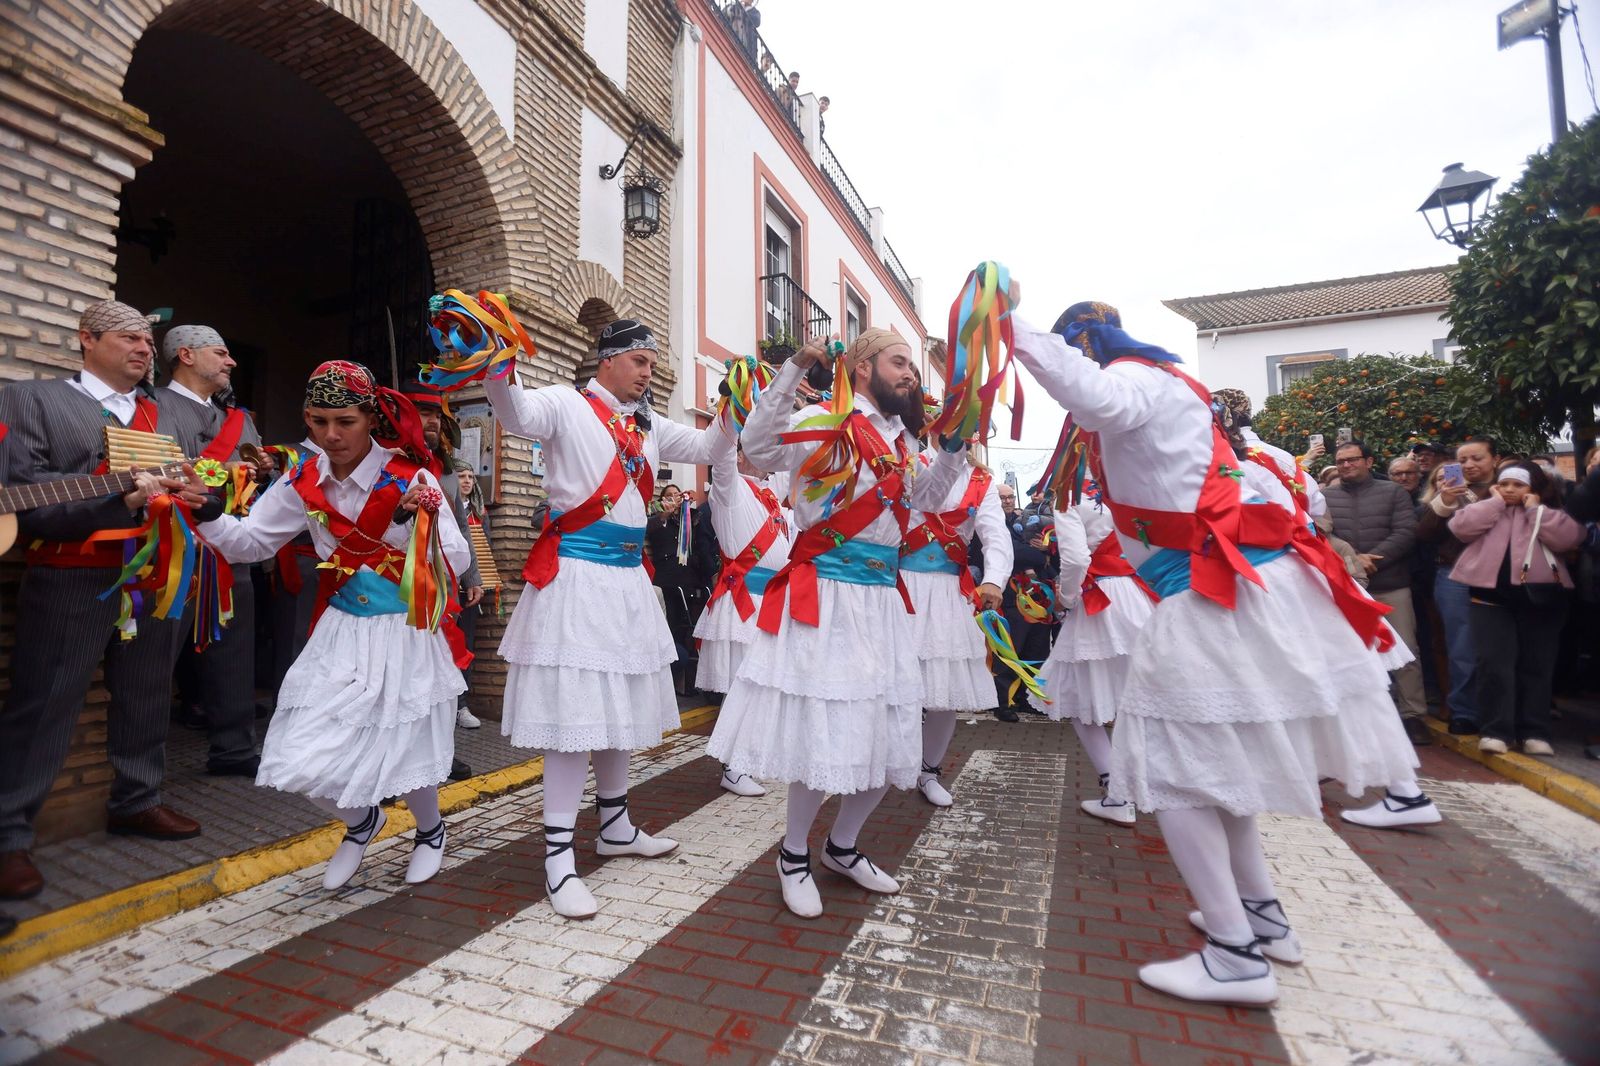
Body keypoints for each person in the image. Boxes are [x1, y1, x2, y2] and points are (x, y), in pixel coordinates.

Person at [1009, 294, 1435, 1007]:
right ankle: (1260, 919)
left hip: (1212, 588)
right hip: (1232, 583)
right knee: (1217, 765)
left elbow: (1092, 395)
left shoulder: (1138, 380)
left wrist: (1004, 323)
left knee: (1174, 767)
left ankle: (1235, 956)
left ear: (1086, 346)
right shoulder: (1175, 388)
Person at [708, 328, 967, 919]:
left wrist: (952, 451)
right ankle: (793, 854)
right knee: (825, 729)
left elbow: (926, 499)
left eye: (912, 366)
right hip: (826, 593)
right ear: (864, 367)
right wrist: (796, 367)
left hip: (881, 601)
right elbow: (759, 446)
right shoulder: (824, 419)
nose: (911, 374)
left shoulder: (905, 441)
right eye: (899, 362)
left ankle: (842, 847)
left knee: (890, 730)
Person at [196, 361, 469, 888]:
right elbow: (252, 542)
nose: (331, 435)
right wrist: (208, 512)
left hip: (404, 627)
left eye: (344, 421)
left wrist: (415, 525)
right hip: (342, 627)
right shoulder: (302, 478)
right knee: (299, 745)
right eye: (318, 421)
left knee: (406, 740)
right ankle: (363, 820)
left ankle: (431, 830)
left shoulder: (409, 475)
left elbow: (452, 561)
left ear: (371, 417)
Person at [484, 319, 716, 919]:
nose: (648, 372)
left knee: (616, 713)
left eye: (651, 362)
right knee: (575, 716)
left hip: (626, 583)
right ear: (608, 360)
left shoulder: (651, 425)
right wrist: (495, 357)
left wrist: (746, 404)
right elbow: (513, 414)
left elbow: (714, 448)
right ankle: (558, 860)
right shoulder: (564, 403)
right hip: (577, 580)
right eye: (640, 361)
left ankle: (615, 826)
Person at [0, 301, 210, 902]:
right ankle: (10, 835)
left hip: (156, 575)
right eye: (129, 339)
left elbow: (198, 483)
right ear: (87, 340)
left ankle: (138, 800)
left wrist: (207, 500)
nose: (146, 349)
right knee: (44, 702)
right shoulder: (32, 399)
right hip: (72, 574)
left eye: (149, 340)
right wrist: (116, 505)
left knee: (147, 693)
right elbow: (22, 497)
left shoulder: (164, 411)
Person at [155, 324, 266, 776]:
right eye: (220, 353)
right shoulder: (150, 407)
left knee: (236, 653)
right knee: (155, 661)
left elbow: (258, 483)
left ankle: (234, 750)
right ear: (186, 355)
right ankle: (143, 775)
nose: (230, 361)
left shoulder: (241, 421)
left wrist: (258, 472)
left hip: (227, 547)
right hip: (167, 550)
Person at [1448, 462, 1583, 756]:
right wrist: (1494, 502)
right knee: (1494, 665)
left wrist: (1536, 511)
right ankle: (1497, 730)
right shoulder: (1489, 508)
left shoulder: (1549, 512)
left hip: (1543, 600)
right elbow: (1460, 527)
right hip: (1489, 599)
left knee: (1537, 666)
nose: (1510, 490)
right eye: (1505, 484)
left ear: (1533, 488)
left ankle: (1535, 731)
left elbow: (1569, 538)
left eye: (1518, 485)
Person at [1040, 485, 1156, 824]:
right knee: (1137, 700)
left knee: (1082, 702)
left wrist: (1067, 599)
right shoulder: (1132, 484)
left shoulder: (1070, 494)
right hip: (1141, 597)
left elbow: (1076, 559)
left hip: (1100, 601)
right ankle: (1149, 785)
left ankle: (1117, 792)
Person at [902, 450, 1009, 808]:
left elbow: (996, 536)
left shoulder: (982, 482)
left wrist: (994, 579)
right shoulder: (907, 457)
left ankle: (928, 771)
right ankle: (885, 761)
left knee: (945, 694)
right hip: (899, 586)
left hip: (949, 592)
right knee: (892, 683)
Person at [694, 409, 792, 796]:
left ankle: (747, 759)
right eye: (756, 447)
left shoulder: (771, 494)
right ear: (739, 452)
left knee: (764, 688)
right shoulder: (729, 488)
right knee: (742, 687)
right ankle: (732, 768)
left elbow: (792, 454)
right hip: (742, 601)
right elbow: (720, 460)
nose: (766, 453)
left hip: (770, 601)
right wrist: (733, 412)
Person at [1323, 439, 1429, 744]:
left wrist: (1372, 560)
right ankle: (1358, 717)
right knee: (1350, 655)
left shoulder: (1393, 492)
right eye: (1341, 461)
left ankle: (1413, 715)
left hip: (1391, 583)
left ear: (1369, 461)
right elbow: (1323, 534)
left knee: (1406, 649)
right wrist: (1354, 560)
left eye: (1352, 459)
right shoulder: (1326, 497)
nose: (1345, 465)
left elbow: (1405, 532)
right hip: (1348, 587)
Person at [1418, 436, 1501, 734]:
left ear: (1495, 459)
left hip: (1500, 576)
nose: (1469, 465)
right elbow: (1425, 533)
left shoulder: (1507, 489)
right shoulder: (1446, 495)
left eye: (1476, 458)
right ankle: (1464, 711)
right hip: (1454, 576)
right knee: (1462, 647)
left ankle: (1499, 714)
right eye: (1463, 460)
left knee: (1499, 649)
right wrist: (1447, 501)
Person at [990, 481, 1055, 721]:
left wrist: (1048, 548)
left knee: (1036, 647)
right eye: (1002, 497)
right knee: (1011, 648)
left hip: (1036, 597)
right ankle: (1002, 701)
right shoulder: (993, 524)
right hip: (1010, 595)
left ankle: (1024, 697)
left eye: (1010, 497)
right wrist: (1043, 553)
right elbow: (1014, 552)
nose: (1007, 501)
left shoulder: (1023, 520)